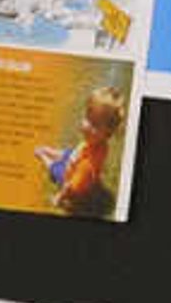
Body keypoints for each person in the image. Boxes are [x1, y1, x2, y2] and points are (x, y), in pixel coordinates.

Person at [36, 85, 126, 220]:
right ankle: (50, 151)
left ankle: (43, 155)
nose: (86, 125)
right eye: (87, 117)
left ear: (107, 133)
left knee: (55, 167)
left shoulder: (86, 166)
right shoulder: (100, 144)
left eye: (94, 124)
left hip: (68, 173)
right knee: (68, 153)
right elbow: (83, 155)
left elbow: (69, 187)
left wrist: (58, 199)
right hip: (76, 157)